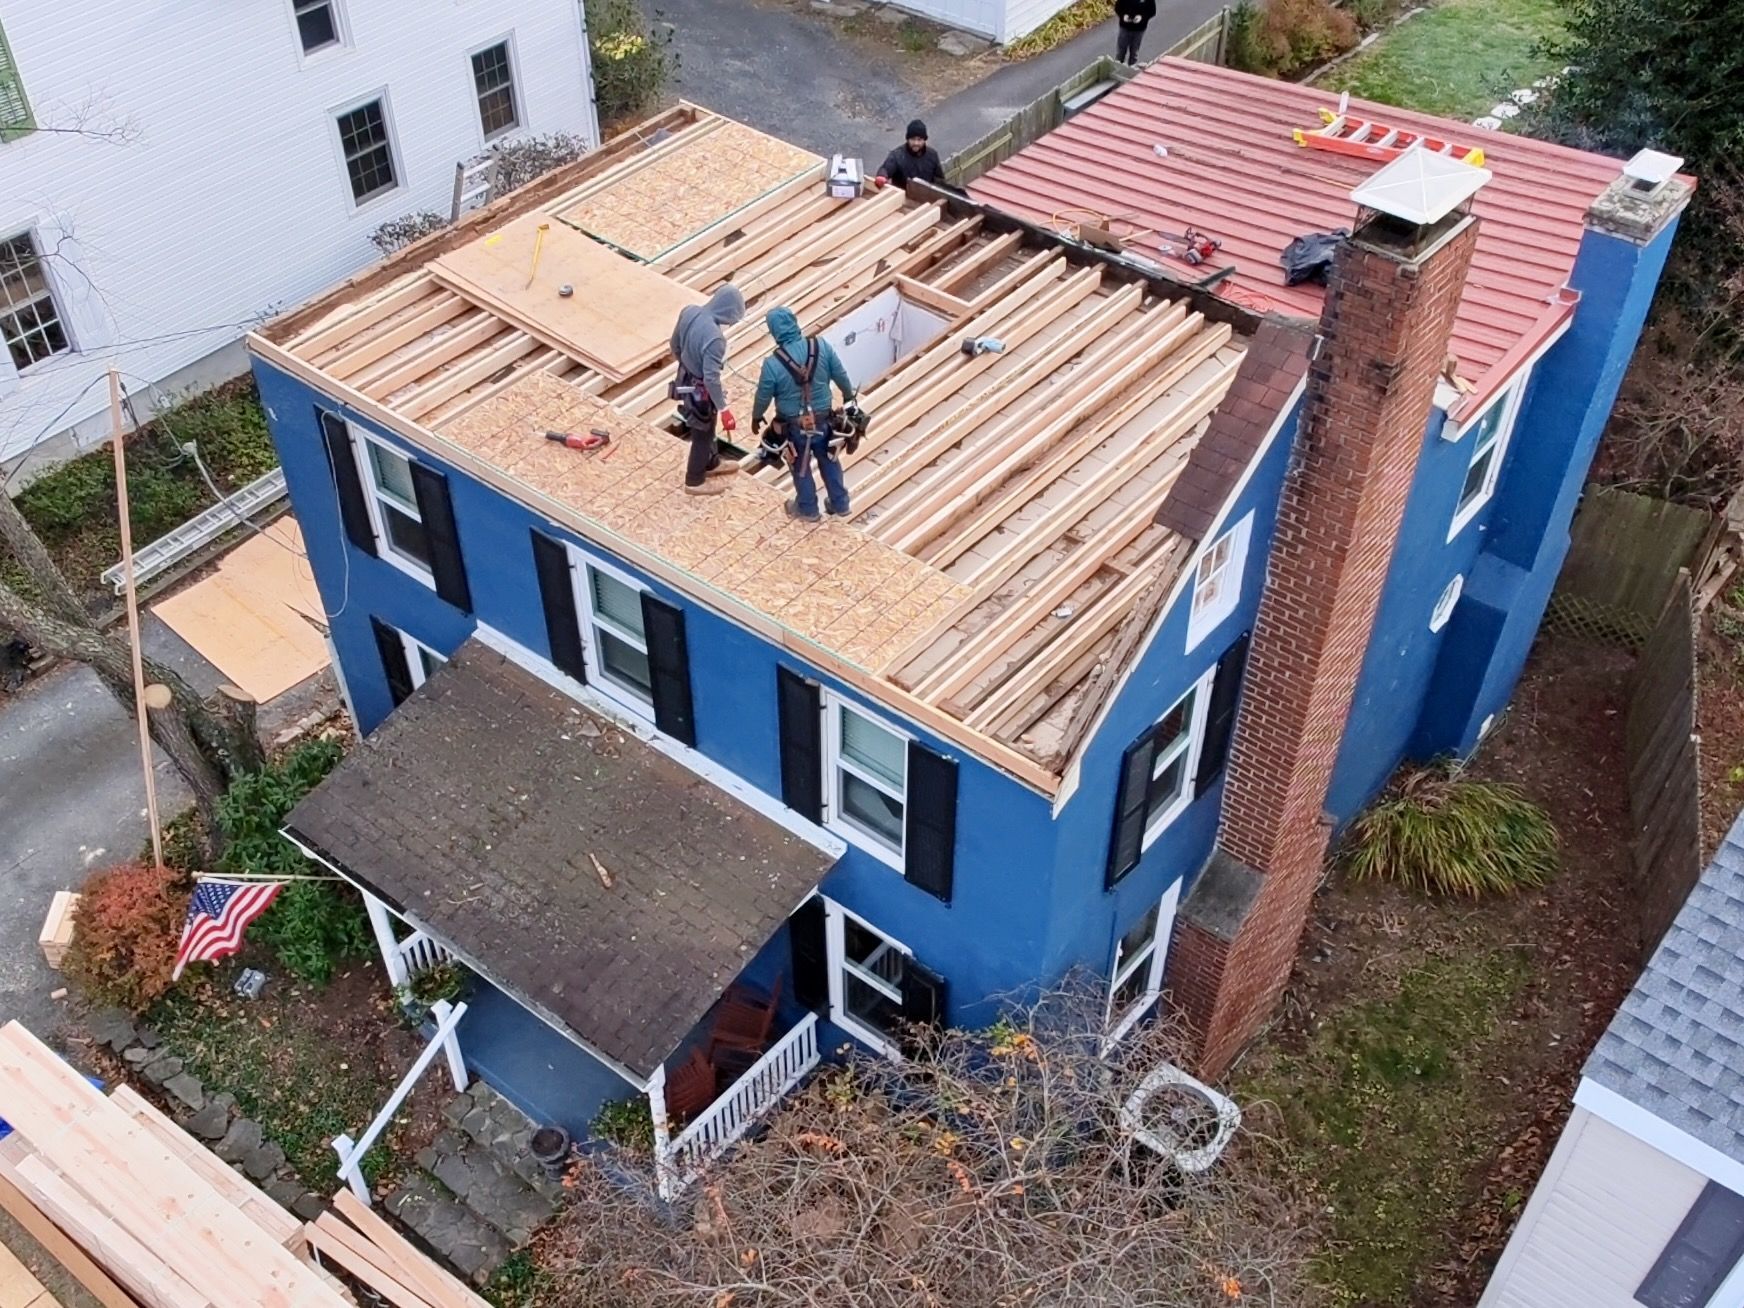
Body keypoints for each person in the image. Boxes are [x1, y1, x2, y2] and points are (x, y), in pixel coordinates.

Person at [750, 307, 857, 521]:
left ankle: (808, 509)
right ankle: (840, 503)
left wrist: (756, 416)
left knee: (799, 464)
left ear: (774, 332)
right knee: (830, 459)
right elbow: (841, 374)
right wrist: (848, 397)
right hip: (826, 421)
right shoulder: (821, 347)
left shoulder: (772, 364)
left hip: (794, 427)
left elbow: (764, 395)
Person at [668, 284, 746, 496]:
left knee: (707, 428)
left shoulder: (690, 311)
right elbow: (711, 378)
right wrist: (724, 409)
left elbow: (674, 344)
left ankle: (710, 463)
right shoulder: (715, 339)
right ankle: (694, 480)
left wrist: (686, 364)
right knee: (702, 433)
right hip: (700, 390)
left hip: (685, 377)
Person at [875, 120, 945, 191]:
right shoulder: (897, 155)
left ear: (924, 140)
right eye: (913, 139)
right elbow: (886, 168)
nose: (916, 143)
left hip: (926, 196)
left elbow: (939, 179)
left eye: (919, 139)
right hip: (903, 197)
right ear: (907, 139)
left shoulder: (932, 155)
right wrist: (882, 176)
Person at [1114, 0, 1157, 65]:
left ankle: (1131, 71)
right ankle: (1117, 69)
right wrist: (1123, 16)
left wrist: (1142, 18)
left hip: (1139, 30)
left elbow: (1152, 11)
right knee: (1121, 52)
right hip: (1125, 28)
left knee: (1134, 53)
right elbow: (1118, 8)